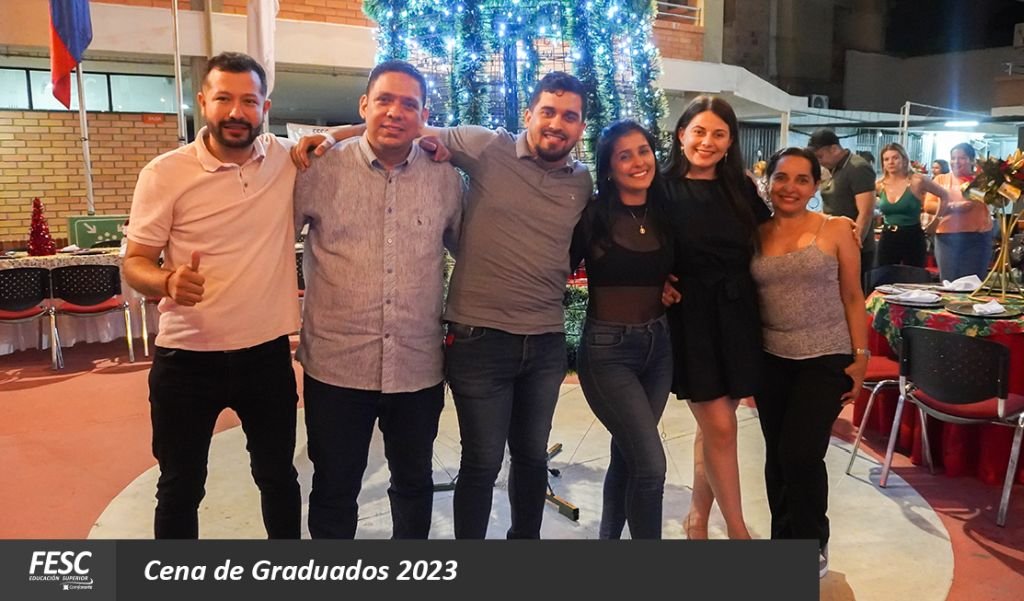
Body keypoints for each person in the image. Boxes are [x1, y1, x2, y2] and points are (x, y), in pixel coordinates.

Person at [293, 71, 593, 539]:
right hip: (409, 351)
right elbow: (398, 128)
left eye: (569, 116)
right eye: (548, 112)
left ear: (581, 126)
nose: (557, 123)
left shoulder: (575, 181)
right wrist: (333, 135)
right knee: (466, 464)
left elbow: (459, 238)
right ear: (528, 114)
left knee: (455, 475)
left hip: (499, 348)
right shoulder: (484, 148)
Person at [123, 52, 301, 539]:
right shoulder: (164, 173)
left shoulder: (285, 158)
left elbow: (361, 131)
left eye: (249, 100)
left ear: (265, 107)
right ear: (203, 102)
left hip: (266, 356)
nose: (236, 112)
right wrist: (167, 281)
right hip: (186, 360)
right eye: (224, 99)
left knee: (278, 478)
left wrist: (430, 142)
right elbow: (134, 262)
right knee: (179, 488)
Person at [294, 60, 464, 539]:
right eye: (384, 100)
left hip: (416, 366)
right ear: (364, 105)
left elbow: (468, 251)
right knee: (334, 488)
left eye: (409, 104)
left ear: (424, 115)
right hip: (337, 365)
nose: (395, 112)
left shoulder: (445, 178)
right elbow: (272, 242)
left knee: (413, 485)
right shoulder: (319, 169)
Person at [750, 146, 868, 579]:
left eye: (802, 179)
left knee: (800, 454)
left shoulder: (836, 229)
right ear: (768, 182)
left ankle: (811, 542)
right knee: (777, 457)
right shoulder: (753, 233)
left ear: (816, 186)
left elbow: (853, 295)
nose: (790, 187)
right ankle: (782, 542)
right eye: (782, 177)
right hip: (770, 359)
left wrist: (861, 357)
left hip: (826, 357)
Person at [661, 95, 771, 540]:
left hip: (738, 314)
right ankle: (739, 532)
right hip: (691, 318)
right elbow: (637, 240)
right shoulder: (661, 187)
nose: (707, 142)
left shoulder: (739, 188)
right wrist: (654, 280)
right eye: (699, 131)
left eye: (719, 134)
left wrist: (828, 229)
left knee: (714, 428)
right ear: (681, 135)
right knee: (722, 428)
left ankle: (697, 518)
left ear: (730, 142)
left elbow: (772, 234)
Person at [570, 120, 674, 539]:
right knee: (650, 467)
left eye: (643, 151)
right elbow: (550, 266)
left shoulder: (664, 211)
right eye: (624, 156)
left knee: (628, 457)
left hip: (659, 349)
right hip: (607, 352)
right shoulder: (593, 215)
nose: (637, 162)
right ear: (609, 168)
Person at [807, 129, 877, 285]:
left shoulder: (857, 168)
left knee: (851, 291)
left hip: (854, 246)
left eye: (820, 156)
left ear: (834, 149)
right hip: (833, 244)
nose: (819, 161)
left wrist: (854, 247)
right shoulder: (831, 169)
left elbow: (865, 212)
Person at [924, 143, 995, 281]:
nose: (956, 162)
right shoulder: (940, 180)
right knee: (949, 281)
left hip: (978, 237)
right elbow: (929, 205)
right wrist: (953, 207)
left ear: (972, 160)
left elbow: (999, 201)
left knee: (973, 281)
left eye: (962, 158)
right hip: (947, 238)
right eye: (953, 158)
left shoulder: (982, 181)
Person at [874, 142, 949, 268]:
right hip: (888, 236)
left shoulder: (917, 180)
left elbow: (945, 196)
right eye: (886, 159)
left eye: (895, 158)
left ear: (904, 160)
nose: (891, 162)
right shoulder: (880, 185)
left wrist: (936, 222)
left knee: (913, 276)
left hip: (912, 235)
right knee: (885, 275)